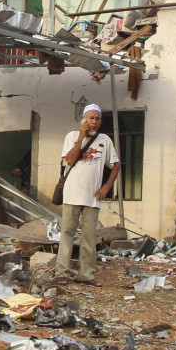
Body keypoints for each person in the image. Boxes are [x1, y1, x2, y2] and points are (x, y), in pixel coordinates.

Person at [58, 104, 120, 285]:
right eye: (90, 118)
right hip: (71, 194)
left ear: (100, 122)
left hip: (92, 197)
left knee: (89, 237)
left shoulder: (105, 140)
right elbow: (69, 160)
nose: (93, 121)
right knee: (67, 233)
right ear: (83, 120)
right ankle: (61, 272)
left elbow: (116, 165)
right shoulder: (71, 136)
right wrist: (80, 138)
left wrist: (107, 186)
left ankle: (86, 275)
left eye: (96, 119)